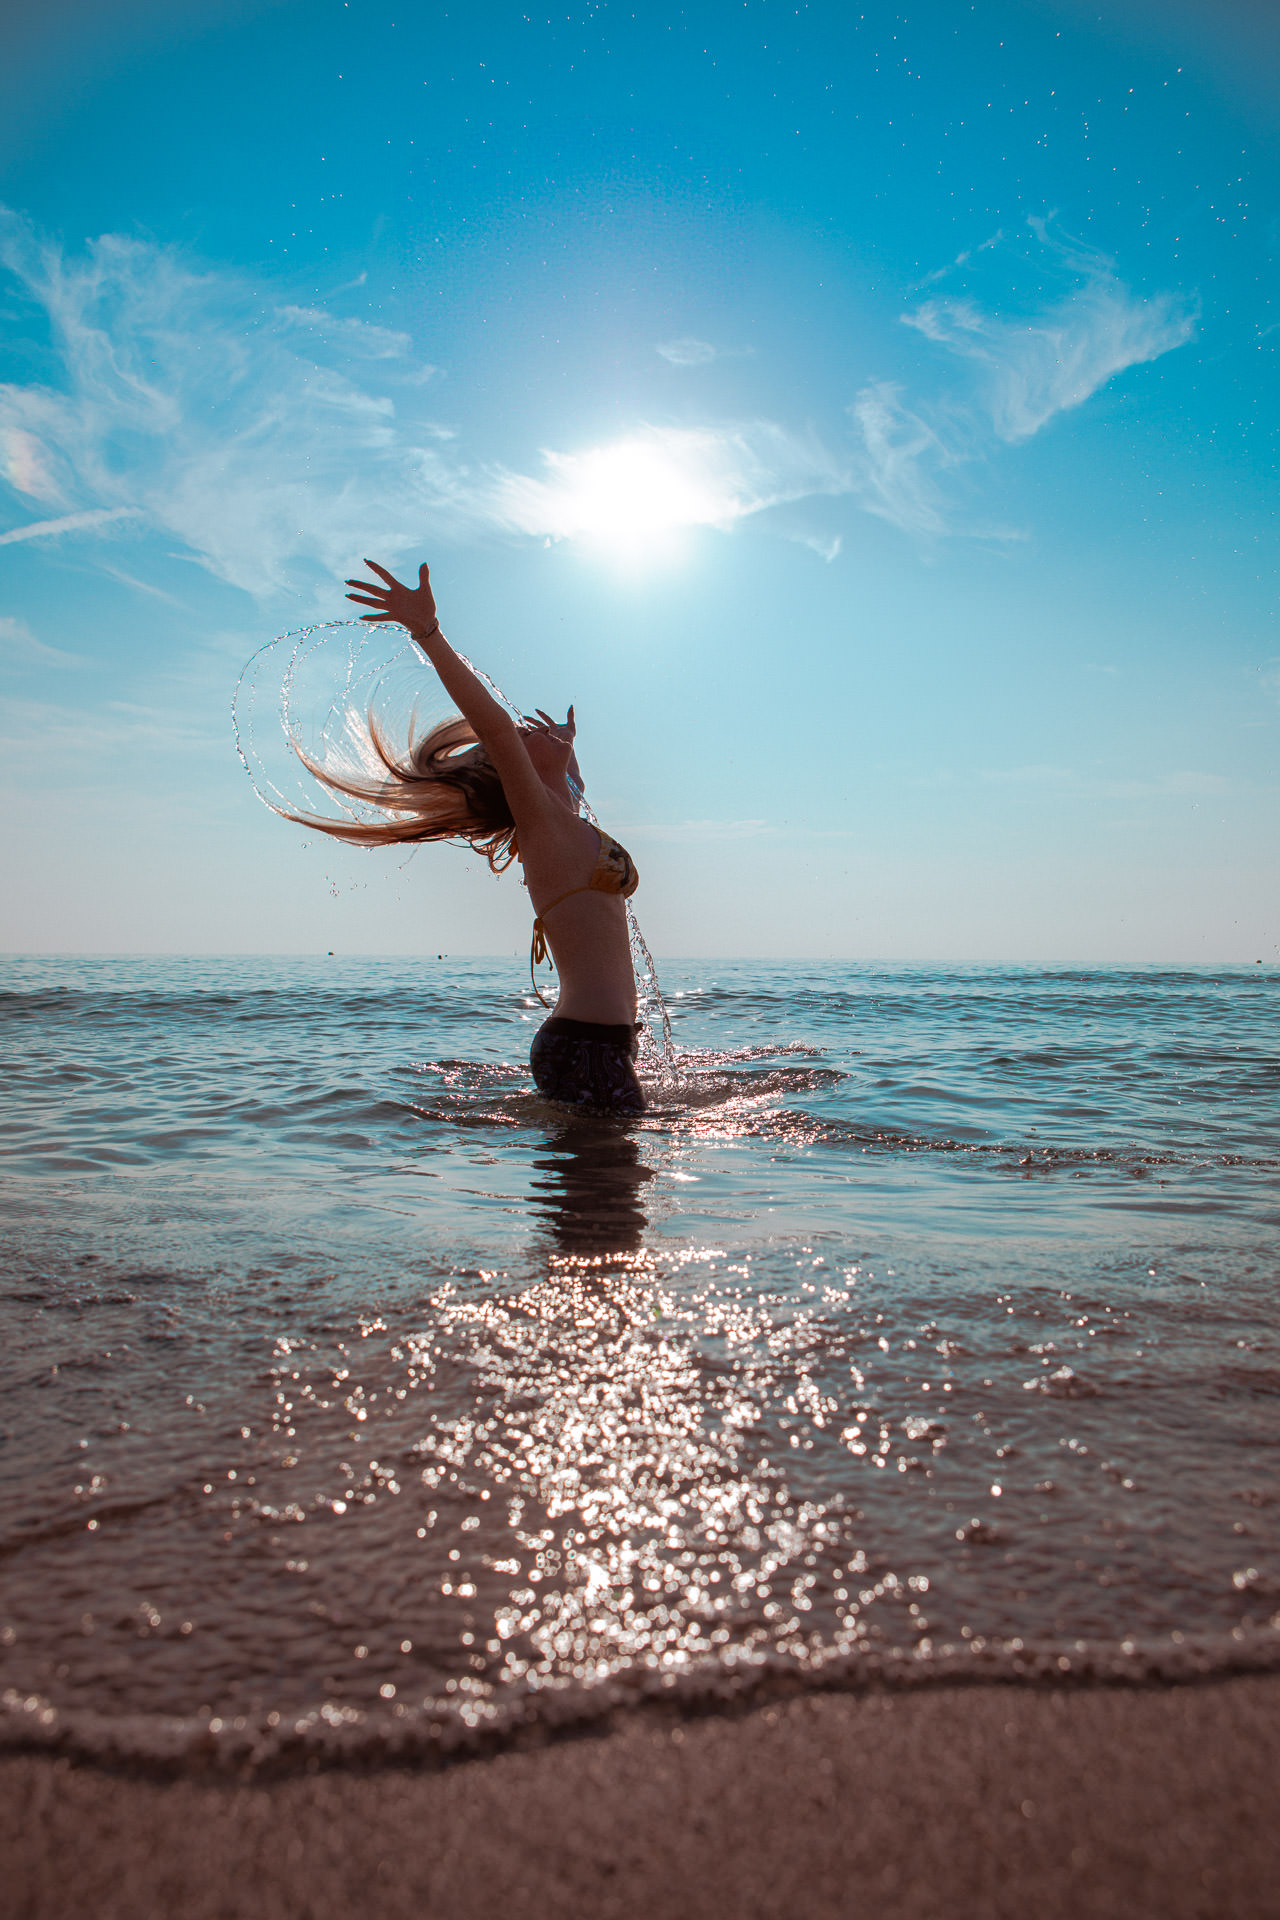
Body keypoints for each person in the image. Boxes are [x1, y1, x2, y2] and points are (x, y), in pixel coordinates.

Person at [286, 556, 646, 1117]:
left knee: (609, 1201)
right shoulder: (543, 825)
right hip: (586, 1046)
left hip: (602, 1044)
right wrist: (427, 632)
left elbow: (571, 782)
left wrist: (565, 749)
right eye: (522, 738)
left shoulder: (563, 814)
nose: (527, 727)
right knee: (607, 1203)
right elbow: (496, 727)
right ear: (510, 770)